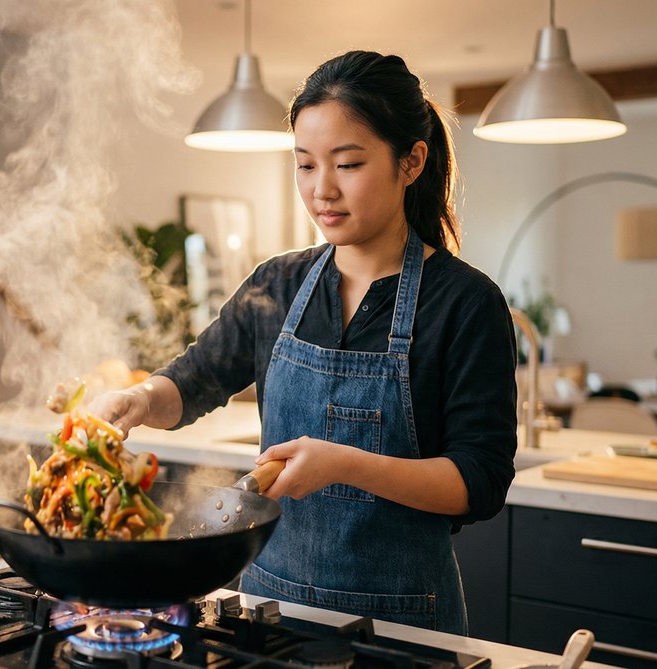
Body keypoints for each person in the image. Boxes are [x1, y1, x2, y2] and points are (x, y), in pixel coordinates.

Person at [89, 50, 517, 634]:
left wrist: (346, 465)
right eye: (306, 165)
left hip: (402, 624)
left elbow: (479, 481)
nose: (322, 190)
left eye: (348, 164)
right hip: (270, 609)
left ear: (411, 161)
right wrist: (138, 400)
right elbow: (192, 383)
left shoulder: (465, 302)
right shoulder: (278, 284)